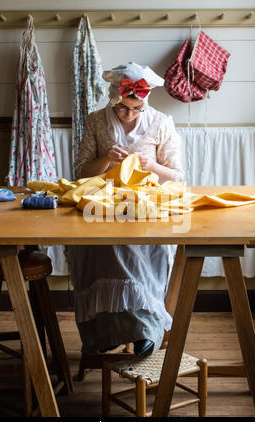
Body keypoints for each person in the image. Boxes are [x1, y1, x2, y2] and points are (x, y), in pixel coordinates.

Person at [67, 62, 184, 357]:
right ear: (112, 99)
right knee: (101, 247)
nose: (128, 114)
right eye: (122, 109)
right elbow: (81, 172)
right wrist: (106, 159)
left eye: (135, 109)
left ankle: (144, 330)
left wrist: (151, 166)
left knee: (134, 246)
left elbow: (177, 176)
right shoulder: (96, 122)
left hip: (145, 207)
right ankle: (104, 331)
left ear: (145, 103)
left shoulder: (161, 122)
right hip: (103, 205)